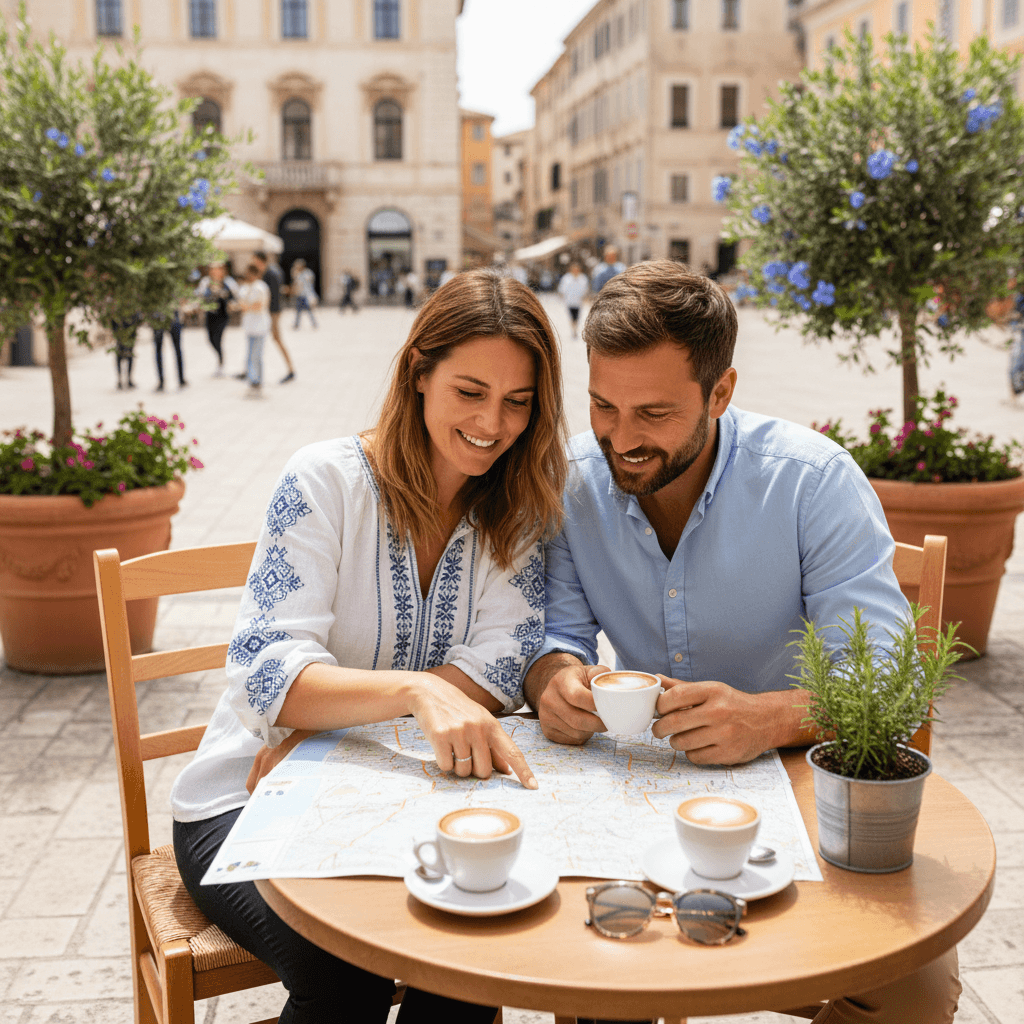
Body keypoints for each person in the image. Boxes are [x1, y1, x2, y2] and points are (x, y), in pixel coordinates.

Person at [523, 260, 960, 1024]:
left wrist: (769, 718)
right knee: (586, 972)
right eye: (601, 405)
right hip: (642, 794)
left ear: (720, 392)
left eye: (654, 413)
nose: (620, 438)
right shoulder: (572, 483)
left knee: (913, 993)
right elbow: (556, 636)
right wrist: (554, 680)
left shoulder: (812, 482)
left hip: (804, 793)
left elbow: (888, 684)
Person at [170, 270, 568, 1024]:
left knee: (470, 954)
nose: (493, 423)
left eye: (519, 401)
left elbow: (502, 664)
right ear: (418, 372)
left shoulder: (517, 509)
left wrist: (327, 734)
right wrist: (418, 691)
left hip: (407, 799)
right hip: (245, 801)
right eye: (470, 391)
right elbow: (269, 672)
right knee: (345, 967)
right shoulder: (324, 481)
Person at [252, 251, 296, 384]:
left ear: (259, 260)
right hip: (272, 312)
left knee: (275, 339)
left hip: (272, 312)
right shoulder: (273, 271)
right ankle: (250, 369)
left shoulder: (270, 274)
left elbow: (273, 296)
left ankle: (291, 370)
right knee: (258, 339)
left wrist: (267, 312)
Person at [196, 262, 238, 376]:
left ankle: (220, 363)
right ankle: (220, 360)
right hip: (210, 315)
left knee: (218, 339)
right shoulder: (206, 282)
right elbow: (200, 295)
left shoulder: (228, 282)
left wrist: (230, 302)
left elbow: (235, 296)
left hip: (222, 315)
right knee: (210, 339)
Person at [237, 261, 271, 393]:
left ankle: (256, 379)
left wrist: (246, 307)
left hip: (259, 325)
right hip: (250, 325)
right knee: (251, 353)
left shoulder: (260, 287)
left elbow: (258, 305)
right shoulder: (247, 287)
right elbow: (242, 303)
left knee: (256, 354)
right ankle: (253, 378)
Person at [152, 309, 186, 391]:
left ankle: (180, 379)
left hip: (169, 316)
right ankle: (161, 381)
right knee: (160, 350)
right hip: (160, 317)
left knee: (176, 349)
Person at [557, 261, 590, 337]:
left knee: (577, 316)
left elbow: (585, 289)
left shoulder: (583, 278)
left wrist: (585, 297)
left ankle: (575, 328)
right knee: (572, 316)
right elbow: (562, 289)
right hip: (569, 301)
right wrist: (562, 297)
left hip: (578, 301)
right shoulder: (566, 278)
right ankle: (573, 329)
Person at [290, 258, 318, 329]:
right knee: (299, 310)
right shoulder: (298, 274)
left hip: (306, 295)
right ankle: (297, 324)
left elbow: (306, 283)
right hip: (300, 295)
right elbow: (295, 283)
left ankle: (313, 323)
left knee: (308, 310)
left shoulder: (307, 273)